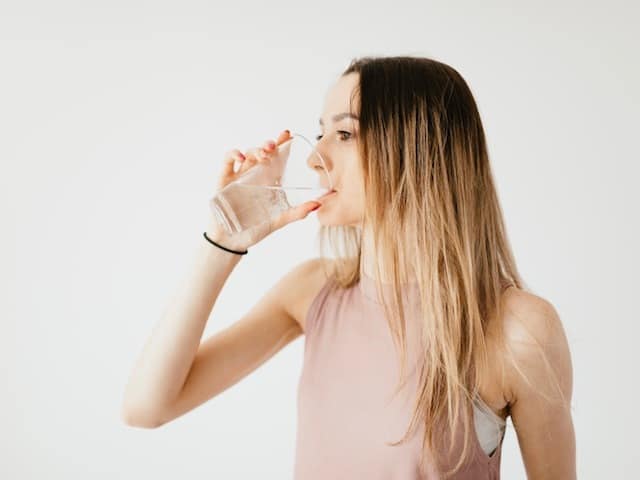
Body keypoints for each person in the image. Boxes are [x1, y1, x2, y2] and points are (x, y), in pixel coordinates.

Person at [121, 55, 576, 479]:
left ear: (419, 147)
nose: (314, 158)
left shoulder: (518, 329)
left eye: (344, 134)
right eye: (320, 133)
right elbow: (146, 407)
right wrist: (222, 239)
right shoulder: (312, 292)